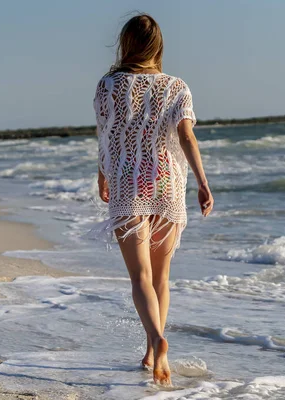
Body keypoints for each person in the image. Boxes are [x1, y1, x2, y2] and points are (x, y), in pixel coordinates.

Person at [93, 14, 213, 386]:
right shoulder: (177, 87)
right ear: (157, 46)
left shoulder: (108, 86)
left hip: (128, 186)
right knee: (161, 277)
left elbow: (107, 136)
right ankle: (152, 349)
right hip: (168, 185)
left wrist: (103, 173)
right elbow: (187, 139)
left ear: (125, 44)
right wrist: (202, 183)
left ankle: (157, 341)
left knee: (140, 276)